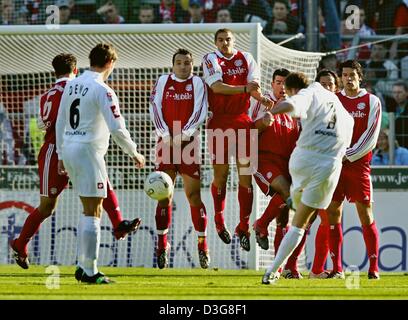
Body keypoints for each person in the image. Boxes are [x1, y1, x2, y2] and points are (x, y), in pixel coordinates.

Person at [10, 53, 142, 271]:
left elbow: (44, 125)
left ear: (54, 72)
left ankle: (118, 224)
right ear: (75, 70)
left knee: (81, 190)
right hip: (67, 148)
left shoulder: (47, 95)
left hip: (56, 151)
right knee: (55, 203)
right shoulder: (81, 87)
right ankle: (20, 244)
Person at [56, 44, 145, 284]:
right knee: (94, 212)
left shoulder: (72, 84)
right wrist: (134, 152)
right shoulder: (102, 89)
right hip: (87, 152)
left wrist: (60, 154)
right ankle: (91, 271)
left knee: (88, 208)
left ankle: (82, 265)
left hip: (70, 148)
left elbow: (61, 120)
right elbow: (117, 127)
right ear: (110, 64)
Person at [262, 72, 354, 284]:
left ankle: (291, 200)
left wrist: (272, 113)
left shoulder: (307, 93)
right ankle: (272, 271)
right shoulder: (342, 110)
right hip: (330, 167)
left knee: (295, 207)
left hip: (304, 159)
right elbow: (346, 144)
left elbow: (291, 105)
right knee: (299, 224)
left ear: (294, 89)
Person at [202, 28, 273, 251]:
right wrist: (244, 88)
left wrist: (260, 97)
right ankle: (219, 219)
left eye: (228, 39)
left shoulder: (247, 58)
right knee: (221, 176)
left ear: (234, 41)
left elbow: (254, 87)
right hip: (220, 122)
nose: (225, 43)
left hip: (242, 120)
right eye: (221, 40)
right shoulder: (210, 59)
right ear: (216, 42)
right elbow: (217, 87)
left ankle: (243, 227)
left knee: (245, 177)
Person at [149, 48, 209, 269]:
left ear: (192, 65)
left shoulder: (198, 84)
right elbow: (155, 107)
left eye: (187, 63)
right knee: (164, 197)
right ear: (173, 65)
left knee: (193, 195)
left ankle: (202, 245)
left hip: (189, 144)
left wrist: (184, 134)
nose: (184, 66)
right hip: (165, 143)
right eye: (180, 63)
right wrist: (165, 134)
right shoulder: (164, 81)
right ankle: (162, 245)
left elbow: (200, 110)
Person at [327, 60, 382, 280]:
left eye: (352, 74)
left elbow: (371, 137)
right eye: (344, 74)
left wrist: (346, 154)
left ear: (360, 76)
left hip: (358, 166)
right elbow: (327, 130)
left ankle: (373, 268)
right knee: (333, 212)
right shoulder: (334, 100)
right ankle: (337, 268)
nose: (348, 78)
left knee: (365, 213)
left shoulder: (372, 101)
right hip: (334, 165)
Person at [250, 68, 306, 279]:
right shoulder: (262, 104)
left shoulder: (294, 111)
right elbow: (247, 130)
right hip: (265, 160)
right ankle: (261, 223)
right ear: (272, 84)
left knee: (284, 220)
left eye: (285, 83)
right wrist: (262, 123)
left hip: (288, 164)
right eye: (278, 82)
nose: (282, 87)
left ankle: (281, 268)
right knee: (286, 192)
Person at [308, 69, 341, 279]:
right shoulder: (311, 110)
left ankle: (317, 270)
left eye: (330, 84)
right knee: (320, 219)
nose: (327, 87)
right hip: (314, 169)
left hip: (334, 168)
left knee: (327, 220)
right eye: (323, 84)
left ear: (336, 87)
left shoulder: (340, 111)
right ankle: (314, 269)